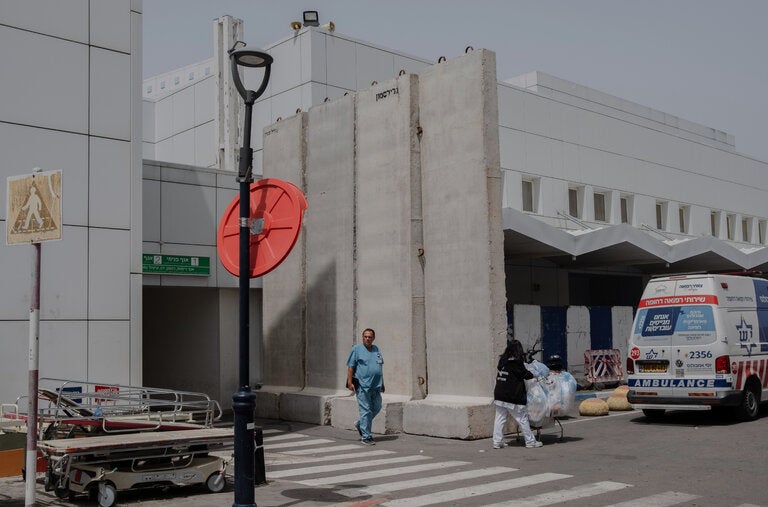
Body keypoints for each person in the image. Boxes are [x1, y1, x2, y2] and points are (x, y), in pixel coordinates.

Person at [492, 339, 543, 449]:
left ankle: (497, 442)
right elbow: (524, 374)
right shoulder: (516, 362)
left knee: (500, 418)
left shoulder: (503, 360)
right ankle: (530, 442)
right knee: (522, 418)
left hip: (499, 393)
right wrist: (534, 376)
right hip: (512, 395)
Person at [346, 328, 385, 445]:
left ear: (373, 338)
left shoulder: (376, 349)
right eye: (365, 336)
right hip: (363, 386)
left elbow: (379, 368)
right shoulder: (356, 349)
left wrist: (383, 383)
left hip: (376, 386)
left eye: (370, 337)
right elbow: (350, 367)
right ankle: (366, 437)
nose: (368, 339)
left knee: (377, 407)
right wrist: (349, 382)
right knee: (366, 411)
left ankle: (360, 424)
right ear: (363, 337)